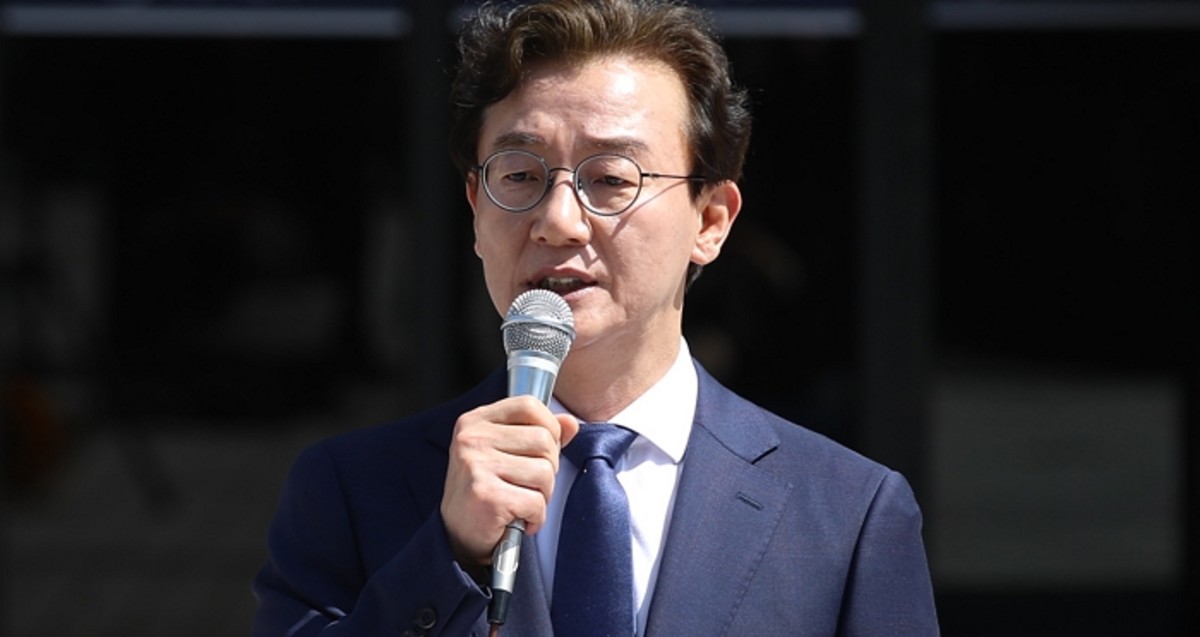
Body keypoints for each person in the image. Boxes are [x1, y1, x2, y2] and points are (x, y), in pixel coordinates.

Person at [252, 0, 940, 635]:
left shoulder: (848, 514)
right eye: (520, 176)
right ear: (476, 209)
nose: (557, 220)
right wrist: (448, 555)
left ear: (710, 219)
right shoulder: (350, 488)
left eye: (610, 179)